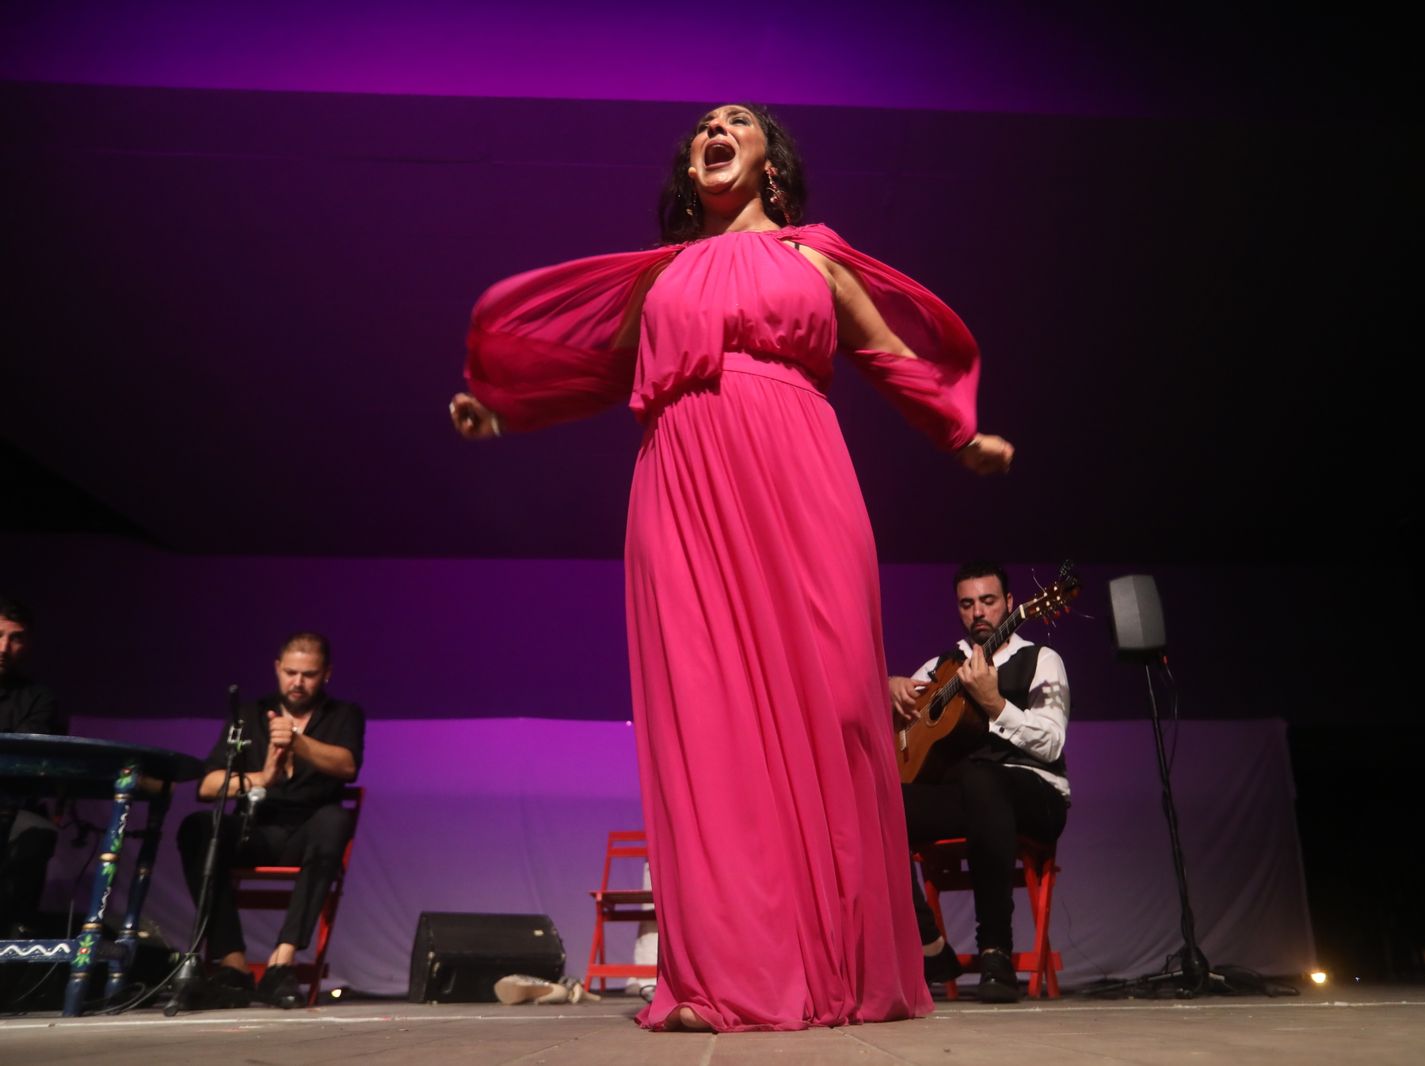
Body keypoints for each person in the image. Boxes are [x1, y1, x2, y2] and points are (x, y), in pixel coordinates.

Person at [449, 103, 1014, 1032]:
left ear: (769, 160)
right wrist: (507, 413)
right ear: (694, 166)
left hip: (801, 473)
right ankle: (733, 970)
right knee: (710, 721)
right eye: (704, 125)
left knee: (836, 704)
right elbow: (600, 370)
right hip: (682, 489)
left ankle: (843, 957)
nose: (716, 127)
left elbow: (887, 353)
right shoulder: (664, 273)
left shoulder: (814, 256)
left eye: (738, 120)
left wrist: (960, 434)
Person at [889, 562, 1070, 1003]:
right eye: (967, 604)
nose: (978, 613)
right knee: (879, 804)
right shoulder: (941, 665)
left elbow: (1052, 742)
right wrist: (889, 689)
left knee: (983, 778)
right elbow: (906, 727)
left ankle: (995, 951)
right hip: (970, 798)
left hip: (1035, 793)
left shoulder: (1041, 660)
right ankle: (931, 946)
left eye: (988, 601)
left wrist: (995, 704)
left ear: (1009, 604)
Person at [176, 632, 363, 1009]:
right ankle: (233, 965)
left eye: (308, 674)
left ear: (326, 674)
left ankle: (282, 962)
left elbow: (348, 765)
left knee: (334, 821)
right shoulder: (248, 715)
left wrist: (297, 742)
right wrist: (260, 778)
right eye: (290, 672)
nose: (297, 682)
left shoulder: (344, 715)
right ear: (277, 669)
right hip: (255, 830)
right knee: (197, 827)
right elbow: (208, 785)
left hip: (309, 832)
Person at [1, 596, 65, 937]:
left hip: (13, 808)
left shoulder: (39, 698)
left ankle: (16, 940)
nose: (4, 647)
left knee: (36, 835)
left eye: (15, 638)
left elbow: (27, 751)